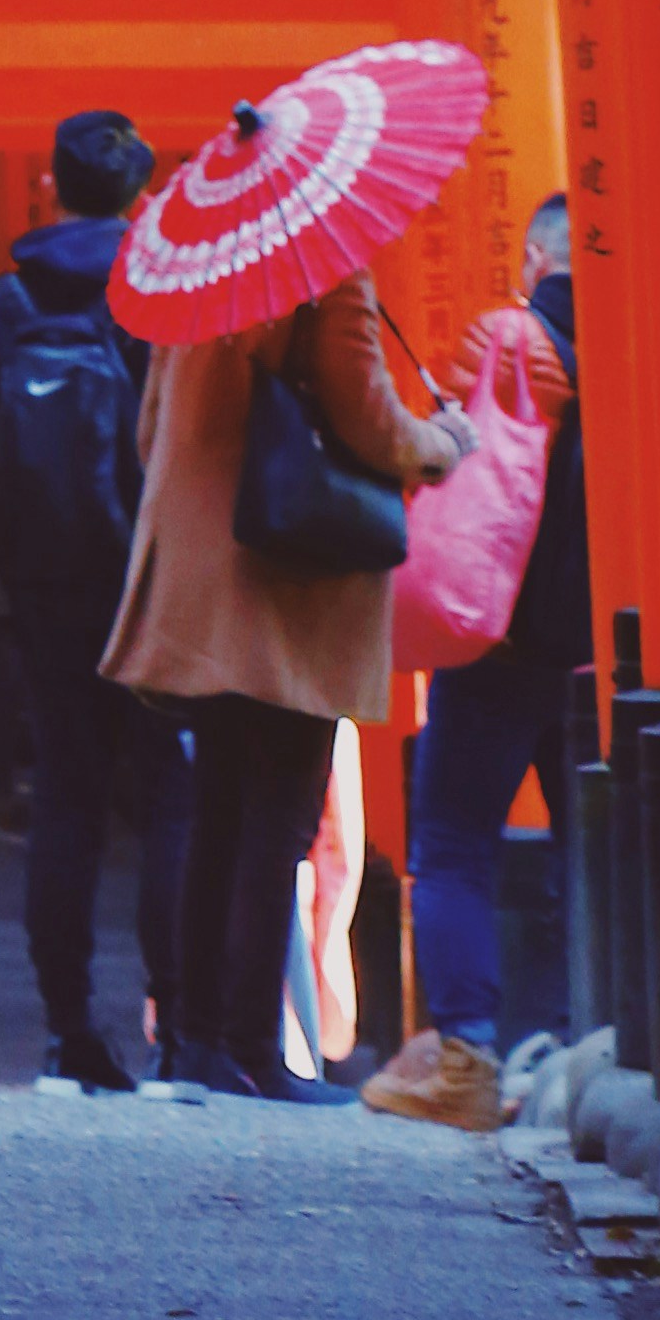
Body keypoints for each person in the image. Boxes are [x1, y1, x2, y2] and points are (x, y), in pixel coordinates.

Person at [103, 263, 469, 1101]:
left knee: (220, 807)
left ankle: (194, 1043)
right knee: (281, 812)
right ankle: (250, 1049)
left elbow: (147, 427)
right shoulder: (326, 275)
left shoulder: (199, 277)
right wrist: (441, 442)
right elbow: (365, 416)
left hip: (204, 564)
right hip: (286, 567)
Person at [0, 107, 198, 1090]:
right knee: (170, 793)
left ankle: (69, 1028)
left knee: (67, 794)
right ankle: (179, 1024)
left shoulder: (4, 307)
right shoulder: (168, 290)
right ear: (141, 190)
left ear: (52, 186)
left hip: (49, 583)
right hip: (151, 572)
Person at [367, 196, 588, 1130]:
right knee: (591, 846)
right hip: (604, 643)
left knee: (455, 844)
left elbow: (453, 462)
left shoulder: (508, 333)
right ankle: (595, 1038)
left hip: (498, 628)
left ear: (537, 254)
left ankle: (466, 1054)